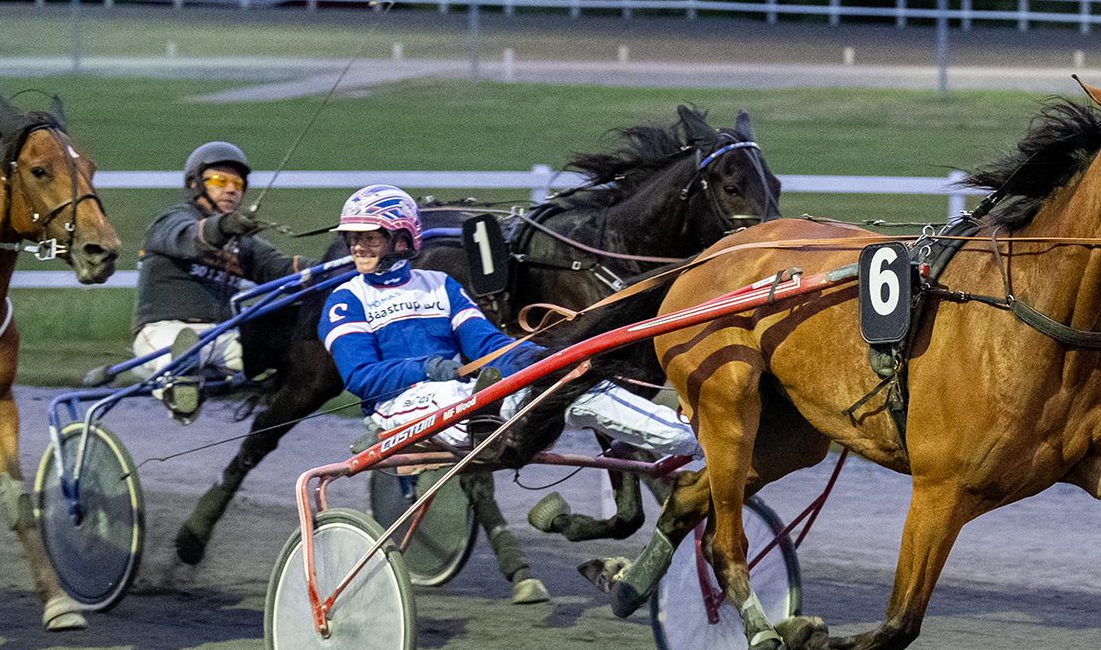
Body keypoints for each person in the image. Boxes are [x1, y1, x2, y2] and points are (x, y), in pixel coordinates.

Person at [320, 184, 697, 602]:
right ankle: (485, 428)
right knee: (459, 399)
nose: (357, 245)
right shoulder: (345, 300)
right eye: (352, 237)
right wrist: (426, 368)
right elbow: (359, 375)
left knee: (574, 389)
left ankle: (689, 438)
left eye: (369, 236)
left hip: (470, 396)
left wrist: (546, 360)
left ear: (402, 238)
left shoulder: (439, 286)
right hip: (401, 408)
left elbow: (487, 344)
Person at [131, 141, 300, 422]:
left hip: (221, 337)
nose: (232, 189)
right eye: (220, 180)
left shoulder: (242, 242)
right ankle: (181, 389)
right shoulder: (171, 221)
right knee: (179, 353)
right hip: (163, 332)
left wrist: (334, 266)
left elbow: (281, 268)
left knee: (285, 342)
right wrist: (223, 226)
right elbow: (194, 238)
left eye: (238, 183)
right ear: (196, 185)